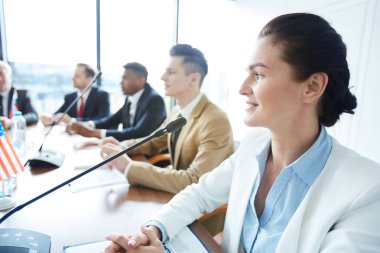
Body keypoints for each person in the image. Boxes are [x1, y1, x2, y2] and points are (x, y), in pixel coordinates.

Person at [104, 13, 380, 253]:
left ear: (312, 87)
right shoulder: (254, 146)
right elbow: (199, 194)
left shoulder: (367, 189)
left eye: (258, 75)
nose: (242, 87)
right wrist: (152, 231)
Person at [100, 44, 234, 194]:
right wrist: (122, 147)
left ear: (194, 78)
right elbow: (155, 141)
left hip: (202, 210)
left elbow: (195, 180)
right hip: (177, 196)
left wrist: (129, 167)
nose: (163, 77)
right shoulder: (177, 110)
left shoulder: (215, 121)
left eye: (170, 72)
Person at [66, 62, 167, 141]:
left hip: (147, 157)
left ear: (141, 80)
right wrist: (88, 125)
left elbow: (139, 133)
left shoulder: (154, 100)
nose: (121, 82)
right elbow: (111, 120)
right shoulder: (130, 97)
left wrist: (94, 133)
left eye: (125, 78)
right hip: (129, 149)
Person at [40, 63, 110, 126]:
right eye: (73, 75)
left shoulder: (102, 95)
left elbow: (104, 118)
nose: (72, 78)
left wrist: (73, 121)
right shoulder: (70, 97)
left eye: (77, 76)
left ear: (89, 79)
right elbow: (58, 114)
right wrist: (49, 118)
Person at [0, 60, 38, 129]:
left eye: (1, 73)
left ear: (9, 76)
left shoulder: (22, 94)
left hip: (17, 135)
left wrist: (11, 122)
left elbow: (33, 116)